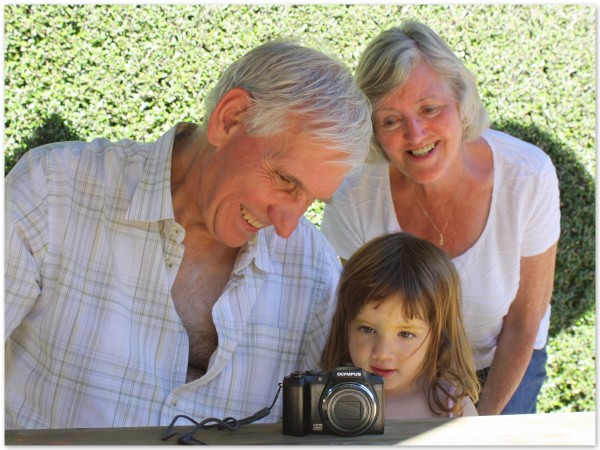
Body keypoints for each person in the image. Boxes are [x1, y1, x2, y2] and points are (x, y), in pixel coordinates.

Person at [5, 40, 372, 429]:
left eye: (311, 200)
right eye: (285, 181)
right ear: (229, 119)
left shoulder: (312, 268)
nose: (287, 224)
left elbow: (336, 427)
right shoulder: (52, 190)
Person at [320, 21, 560, 415]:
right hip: (398, 367)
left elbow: (524, 320)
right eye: (391, 120)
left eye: (430, 109)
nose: (415, 134)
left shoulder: (528, 175)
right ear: (373, 131)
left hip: (499, 359)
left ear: (461, 101)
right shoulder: (353, 193)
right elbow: (348, 313)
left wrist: (481, 427)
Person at [320, 232, 479, 419]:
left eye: (405, 334)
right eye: (367, 329)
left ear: (439, 336)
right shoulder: (327, 396)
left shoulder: (453, 406)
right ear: (344, 326)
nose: (382, 352)